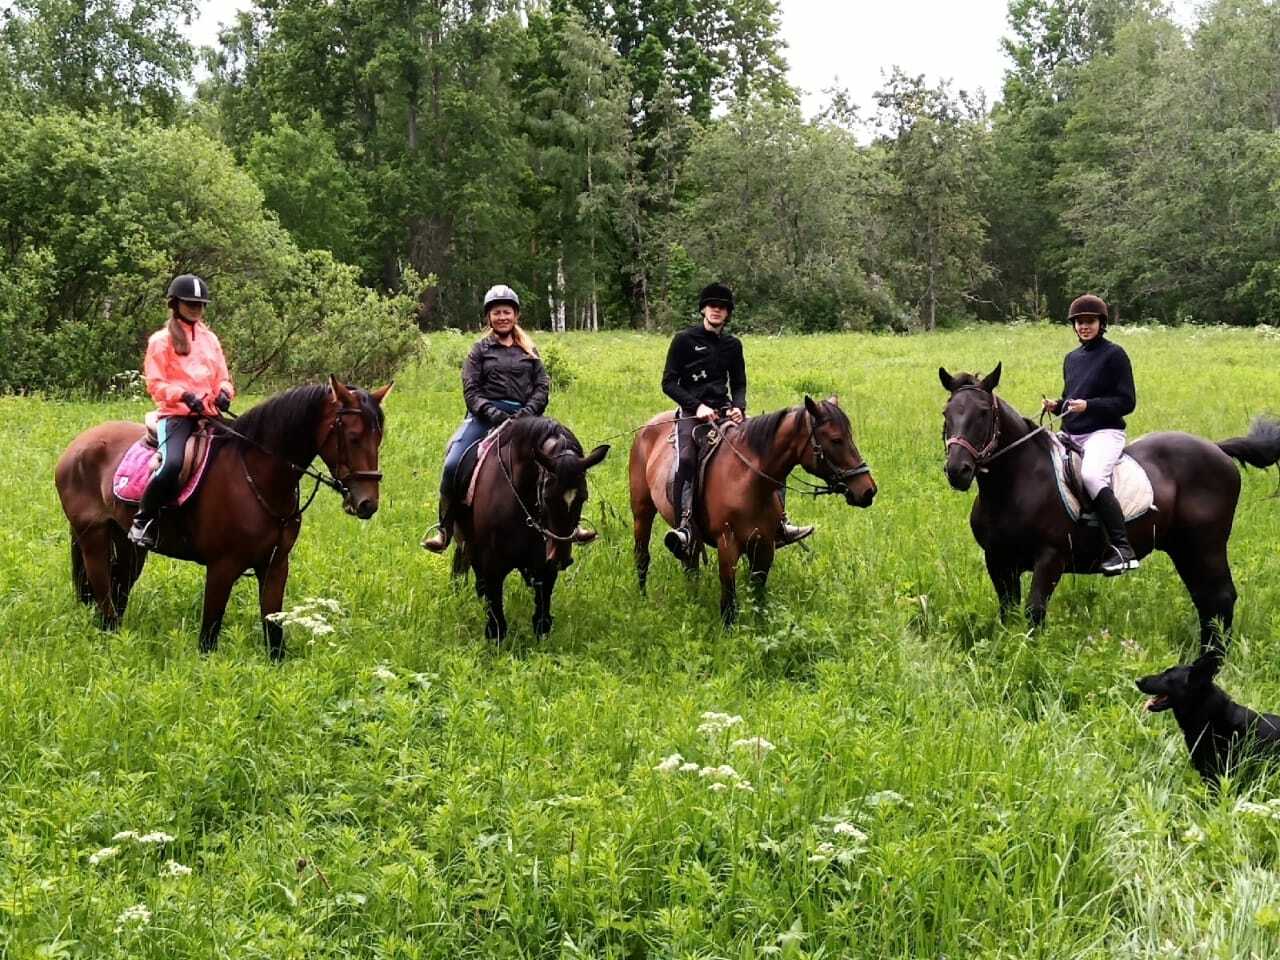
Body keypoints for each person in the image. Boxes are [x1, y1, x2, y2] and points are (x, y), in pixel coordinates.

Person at [422, 284, 593, 553]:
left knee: (566, 455)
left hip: (527, 418)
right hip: (484, 417)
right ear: (488, 317)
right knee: (454, 463)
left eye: (507, 312)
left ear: (516, 316)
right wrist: (494, 413)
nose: (502, 317)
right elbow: (471, 390)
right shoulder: (479, 350)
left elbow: (542, 386)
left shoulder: (530, 350)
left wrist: (526, 414)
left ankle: (571, 523)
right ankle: (445, 528)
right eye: (497, 312)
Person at [660, 281, 813, 562]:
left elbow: (739, 382)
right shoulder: (683, 340)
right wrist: (697, 406)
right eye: (712, 306)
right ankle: (685, 527)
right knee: (688, 459)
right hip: (692, 415)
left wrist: (738, 408)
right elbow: (668, 383)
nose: (716, 311)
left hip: (725, 412)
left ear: (728, 313)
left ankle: (779, 523)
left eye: (722, 307)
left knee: (773, 451)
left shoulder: (733, 345)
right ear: (703, 309)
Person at [128, 274, 234, 549]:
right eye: (190, 303)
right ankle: (143, 520)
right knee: (172, 463)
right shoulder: (160, 341)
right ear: (175, 304)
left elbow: (223, 375)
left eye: (200, 304)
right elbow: (156, 383)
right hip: (176, 416)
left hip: (210, 415)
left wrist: (224, 392)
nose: (196, 309)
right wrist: (184, 396)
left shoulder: (210, 339)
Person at [1041, 293, 1139, 575]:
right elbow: (1071, 398)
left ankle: (1122, 548)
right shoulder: (1071, 359)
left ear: (1101, 323)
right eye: (1079, 322)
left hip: (1104, 432)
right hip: (1072, 432)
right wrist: (1058, 405)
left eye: (1090, 322)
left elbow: (1127, 402)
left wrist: (1090, 406)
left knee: (1092, 476)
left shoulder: (1115, 355)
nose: (1084, 327)